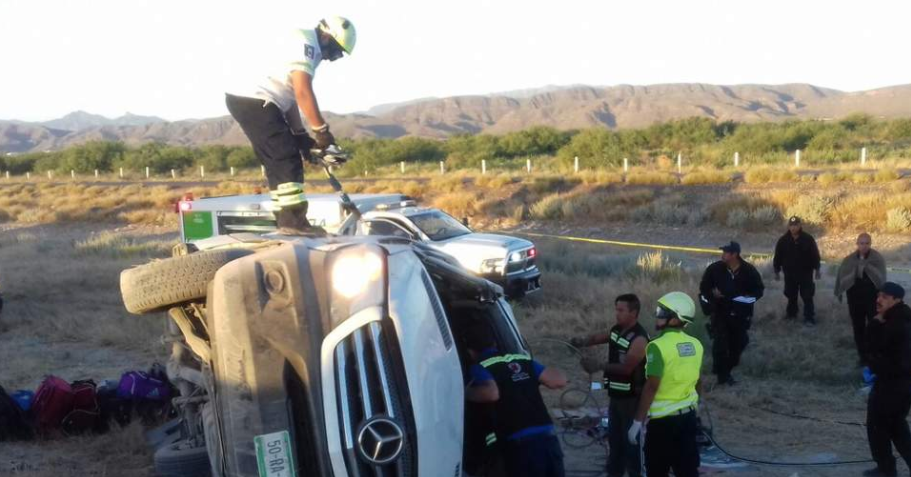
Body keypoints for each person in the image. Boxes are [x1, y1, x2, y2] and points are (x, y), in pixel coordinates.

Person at [225, 17, 357, 234]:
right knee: (285, 157)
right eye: (334, 51)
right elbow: (302, 92)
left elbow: (289, 97)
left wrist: (300, 134)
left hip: (253, 99)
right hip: (254, 99)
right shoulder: (308, 45)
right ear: (326, 36)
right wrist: (322, 133)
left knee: (278, 159)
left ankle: (285, 221)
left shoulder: (304, 43)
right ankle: (293, 223)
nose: (332, 58)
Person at [466, 322, 568, 477]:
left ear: (471, 352)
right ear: (494, 342)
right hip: (548, 441)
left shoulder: (481, 366)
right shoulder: (522, 360)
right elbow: (558, 381)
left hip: (522, 447)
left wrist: (464, 393)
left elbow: (492, 393)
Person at [571, 294, 649, 477]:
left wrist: (598, 365)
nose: (617, 314)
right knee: (614, 441)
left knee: (631, 442)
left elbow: (628, 368)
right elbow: (601, 337)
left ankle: (635, 473)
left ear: (634, 312)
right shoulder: (617, 331)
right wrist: (582, 341)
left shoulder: (639, 339)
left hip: (631, 399)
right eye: (616, 309)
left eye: (621, 310)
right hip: (616, 396)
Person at [628, 292, 704, 477]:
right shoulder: (696, 344)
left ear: (675, 319)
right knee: (687, 470)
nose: (657, 315)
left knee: (657, 470)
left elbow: (652, 386)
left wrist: (637, 422)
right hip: (688, 419)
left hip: (663, 423)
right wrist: (695, 406)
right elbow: (699, 381)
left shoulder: (657, 346)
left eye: (662, 312)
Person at [699, 241, 764, 386]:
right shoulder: (714, 269)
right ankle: (722, 376)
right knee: (720, 344)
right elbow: (703, 288)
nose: (722, 255)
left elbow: (759, 291)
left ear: (734, 254)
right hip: (720, 313)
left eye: (726, 252)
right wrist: (711, 297)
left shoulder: (749, 271)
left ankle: (726, 370)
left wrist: (744, 299)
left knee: (739, 343)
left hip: (740, 316)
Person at [864, 282, 911, 477]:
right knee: (895, 426)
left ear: (896, 300)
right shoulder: (894, 318)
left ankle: (886, 469)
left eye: (884, 297)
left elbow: (874, 349)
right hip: (896, 382)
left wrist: (874, 325)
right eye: (878, 295)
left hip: (894, 383)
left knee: (879, 425)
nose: (878, 300)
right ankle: (886, 467)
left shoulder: (897, 323)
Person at [834, 233, 887, 366]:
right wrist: (840, 289)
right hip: (854, 299)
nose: (864, 246)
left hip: (872, 299)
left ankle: (874, 356)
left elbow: (881, 279)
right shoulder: (849, 259)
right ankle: (862, 357)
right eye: (861, 243)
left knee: (873, 327)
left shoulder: (877, 259)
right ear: (857, 244)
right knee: (858, 328)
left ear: (870, 244)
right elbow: (842, 276)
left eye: (867, 243)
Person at [773, 216, 821, 324]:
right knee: (791, 295)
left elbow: (815, 255)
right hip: (789, 274)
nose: (793, 228)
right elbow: (778, 256)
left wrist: (817, 269)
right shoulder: (783, 240)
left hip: (805, 273)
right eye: (791, 225)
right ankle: (791, 315)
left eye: (795, 225)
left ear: (800, 225)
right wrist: (776, 271)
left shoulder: (808, 239)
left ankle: (809, 317)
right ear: (788, 226)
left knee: (807, 296)